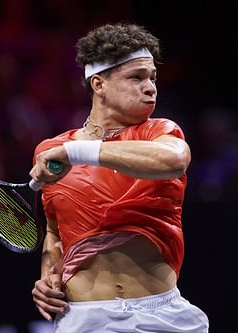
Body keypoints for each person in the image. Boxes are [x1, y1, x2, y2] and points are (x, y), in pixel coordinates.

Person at [28, 22, 209, 332]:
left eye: (152, 77)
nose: (150, 87)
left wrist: (77, 152)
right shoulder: (51, 150)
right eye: (136, 78)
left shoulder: (158, 132)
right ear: (99, 85)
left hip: (161, 317)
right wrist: (48, 275)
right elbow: (55, 231)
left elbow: (175, 159)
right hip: (85, 318)